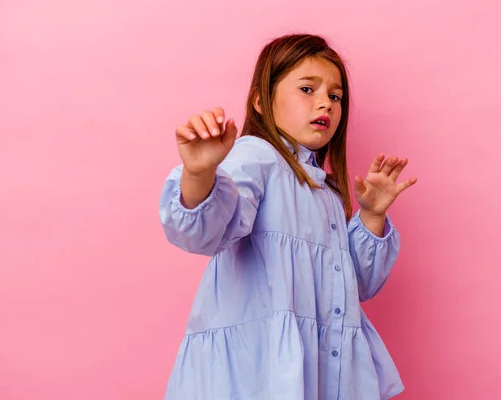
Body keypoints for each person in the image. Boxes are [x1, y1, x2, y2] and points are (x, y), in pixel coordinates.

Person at [159, 33, 417, 400]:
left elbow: (353, 288)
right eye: (307, 89)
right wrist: (200, 175)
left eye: (335, 96)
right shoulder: (257, 156)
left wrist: (372, 215)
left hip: (320, 370)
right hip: (258, 375)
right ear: (262, 101)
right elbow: (205, 233)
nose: (325, 104)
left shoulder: (324, 191)